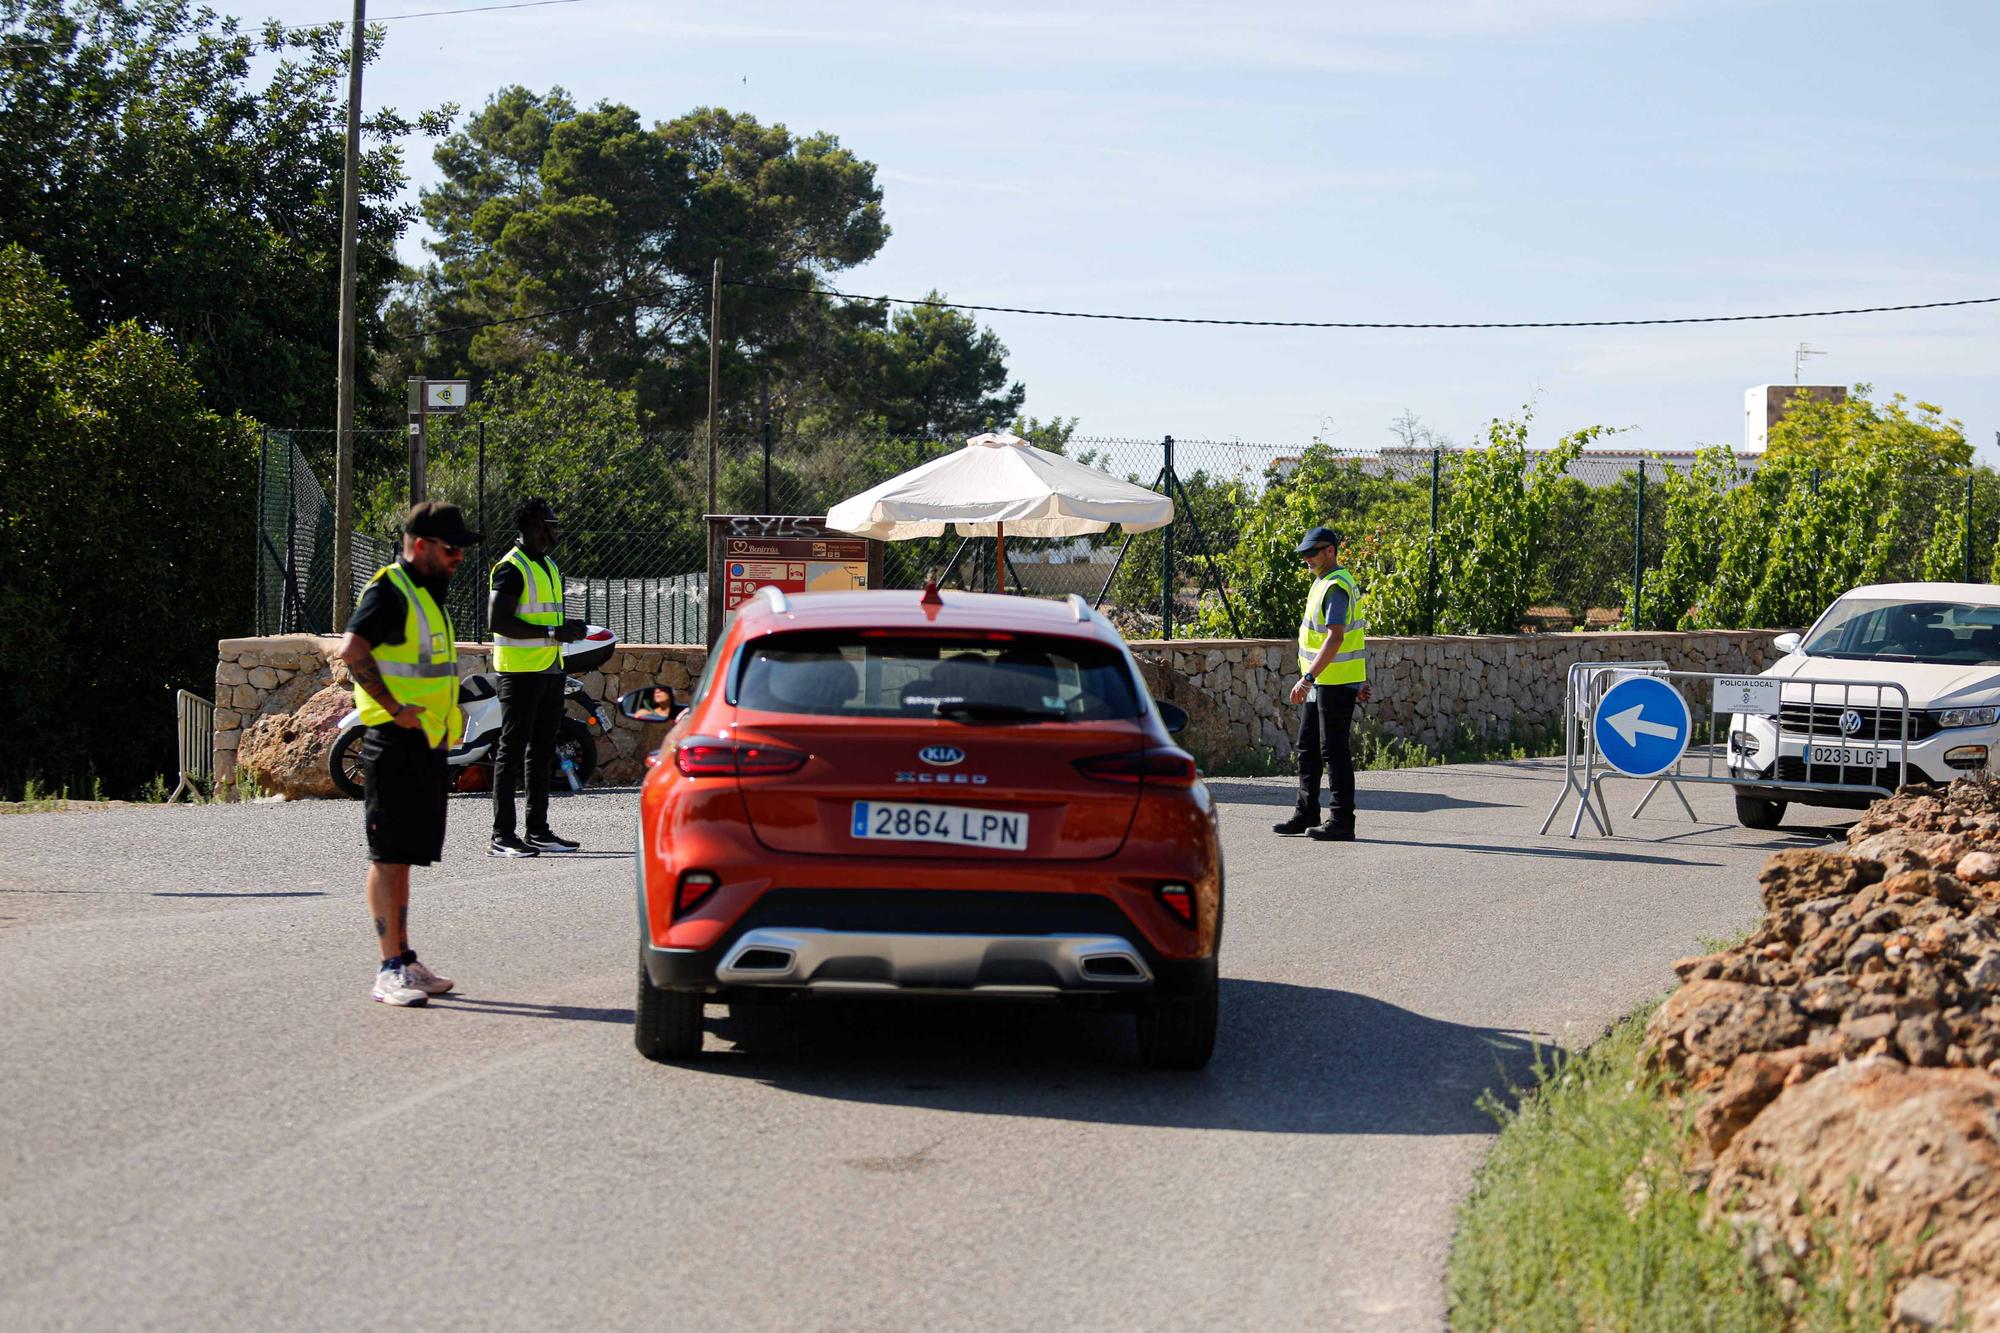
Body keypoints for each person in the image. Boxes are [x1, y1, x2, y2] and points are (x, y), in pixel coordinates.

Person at [338, 501, 481, 1006]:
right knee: (388, 855)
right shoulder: (390, 589)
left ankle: (404, 958)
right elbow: (352, 650)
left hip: (423, 744)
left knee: (404, 857)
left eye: (461, 548)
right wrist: (394, 707)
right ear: (420, 545)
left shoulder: (426, 593)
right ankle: (388, 968)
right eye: (451, 548)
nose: (459, 557)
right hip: (392, 742)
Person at [487, 496, 588, 858]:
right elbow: (498, 622)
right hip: (519, 672)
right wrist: (551, 631)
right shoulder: (510, 567)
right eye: (551, 522)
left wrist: (566, 631)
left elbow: (548, 621)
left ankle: (538, 831)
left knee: (542, 750)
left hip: (549, 669)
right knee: (511, 751)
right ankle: (502, 836)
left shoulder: (547, 564)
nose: (556, 528)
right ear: (535, 526)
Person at [1273, 525, 1368, 842]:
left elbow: (1337, 637)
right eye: (1304, 554)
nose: (1307, 559)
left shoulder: (1336, 586)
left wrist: (1307, 678)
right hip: (1325, 680)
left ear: (1331, 551)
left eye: (1312, 553)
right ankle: (1306, 813)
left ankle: (1342, 820)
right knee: (1307, 748)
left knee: (1333, 751)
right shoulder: (1323, 582)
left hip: (1331, 681)